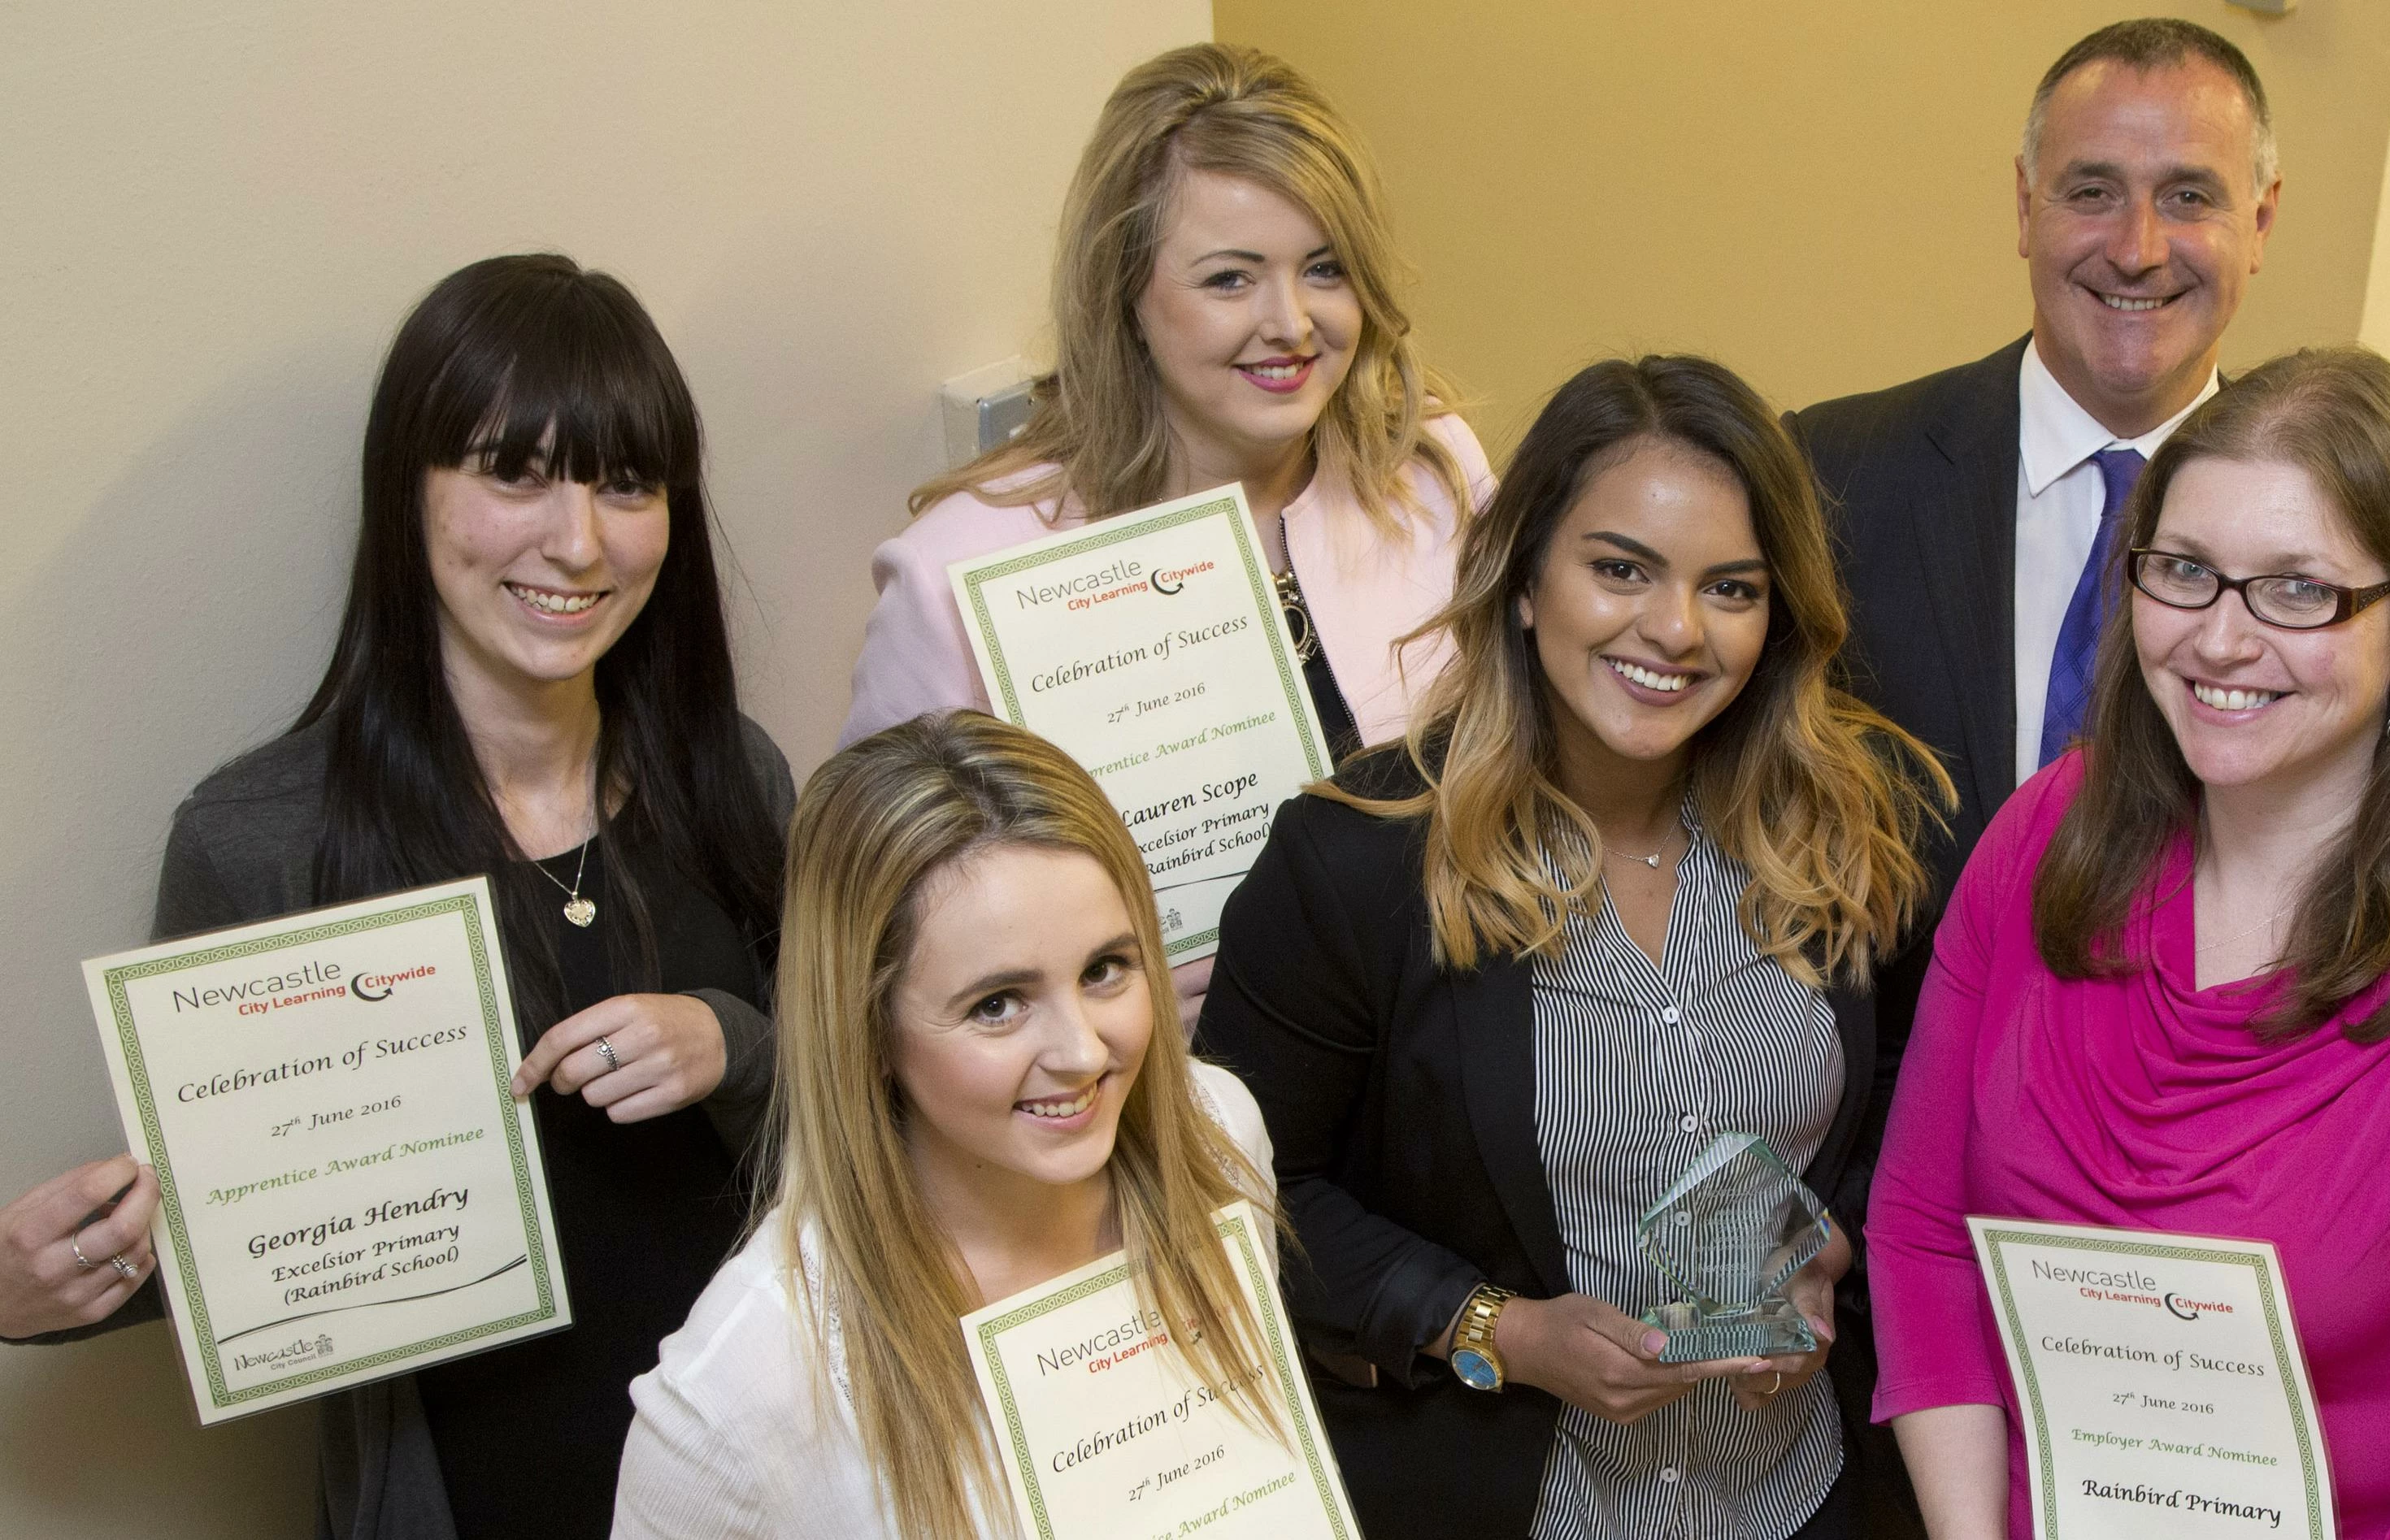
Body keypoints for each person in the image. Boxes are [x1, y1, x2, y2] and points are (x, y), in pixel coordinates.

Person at [0, 254, 793, 1540]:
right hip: (479, 1502)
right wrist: (35, 1285)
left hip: (774, 1480)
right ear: (408, 492)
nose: (578, 541)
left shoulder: (733, 776)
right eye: (513, 473)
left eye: (625, 483)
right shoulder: (264, 843)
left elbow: (873, 1124)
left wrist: (734, 1040)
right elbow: (243, 1228)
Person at [1871, 347, 2390, 1538]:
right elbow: (1924, 1233)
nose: (2219, 639)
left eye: (2297, 589)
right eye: (2184, 571)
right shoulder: (2044, 836)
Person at [1197, 354, 1952, 1540]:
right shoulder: (1356, 863)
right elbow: (1237, 1191)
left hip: (1800, 1495)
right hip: (1505, 1498)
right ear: (1525, 577)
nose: (1674, 629)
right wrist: (1495, 1325)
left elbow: (1915, 1092)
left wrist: (1832, 1250)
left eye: (1732, 587)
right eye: (1619, 568)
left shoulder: (1854, 823)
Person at [842, 41, 1487, 1021]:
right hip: (1151, 1091)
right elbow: (868, 923)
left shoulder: (1434, 471)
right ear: (1127, 296)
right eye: (1231, 279)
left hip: (1457, 1032)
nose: (1292, 323)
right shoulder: (963, 571)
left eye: (1325, 269)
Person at [613, 711, 1277, 1539]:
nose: (1081, 1051)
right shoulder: (741, 1392)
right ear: (870, 1031)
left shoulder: (1218, 1134)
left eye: (1106, 968)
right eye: (997, 1004)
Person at [1792, 17, 2278, 869]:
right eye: (2092, 192)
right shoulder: (1834, 473)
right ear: (2025, 206)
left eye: (2189, 197)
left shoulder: (2326, 536)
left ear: (2263, 221)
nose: (2138, 249)